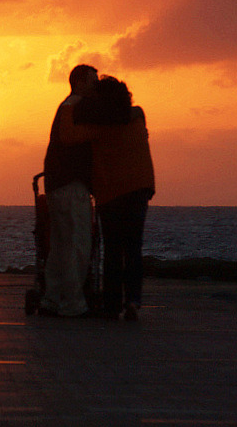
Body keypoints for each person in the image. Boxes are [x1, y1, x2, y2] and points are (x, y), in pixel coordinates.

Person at [59, 76, 155, 321]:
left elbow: (67, 136)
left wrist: (70, 103)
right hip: (139, 187)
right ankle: (133, 301)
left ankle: (112, 305)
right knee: (133, 247)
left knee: (113, 249)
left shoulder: (98, 127)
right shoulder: (137, 115)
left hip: (111, 190)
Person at [39, 64, 98, 317]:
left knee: (60, 245)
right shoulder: (75, 108)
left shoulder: (66, 106)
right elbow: (71, 139)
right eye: (93, 81)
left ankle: (52, 298)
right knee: (78, 244)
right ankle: (72, 302)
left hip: (57, 184)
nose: (96, 86)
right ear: (81, 82)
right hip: (71, 185)